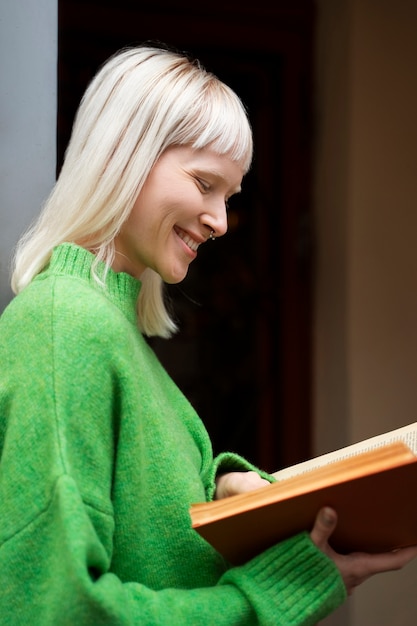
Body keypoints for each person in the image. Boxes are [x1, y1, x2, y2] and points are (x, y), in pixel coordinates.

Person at [0, 43, 416, 626]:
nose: (220, 221)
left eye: (229, 196)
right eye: (204, 184)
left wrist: (220, 487)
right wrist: (264, 598)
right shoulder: (63, 326)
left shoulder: (112, 333)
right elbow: (55, 608)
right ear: (126, 155)